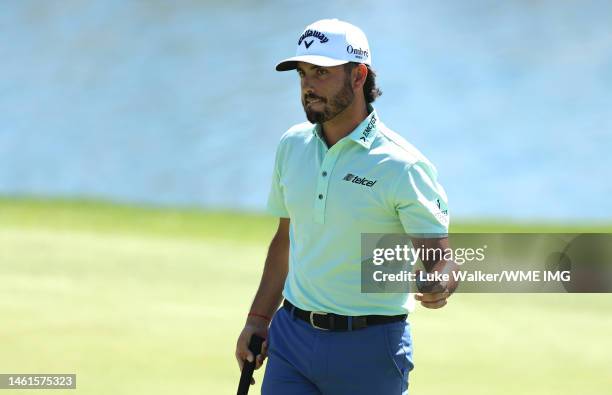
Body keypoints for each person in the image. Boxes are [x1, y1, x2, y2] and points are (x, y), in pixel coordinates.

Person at [235, 18, 457, 395]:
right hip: (291, 338)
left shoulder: (402, 165)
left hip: (370, 346)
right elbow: (286, 240)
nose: (307, 85)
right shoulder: (292, 146)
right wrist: (258, 318)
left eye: (321, 72)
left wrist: (440, 282)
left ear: (358, 76)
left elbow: (440, 258)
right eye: (303, 73)